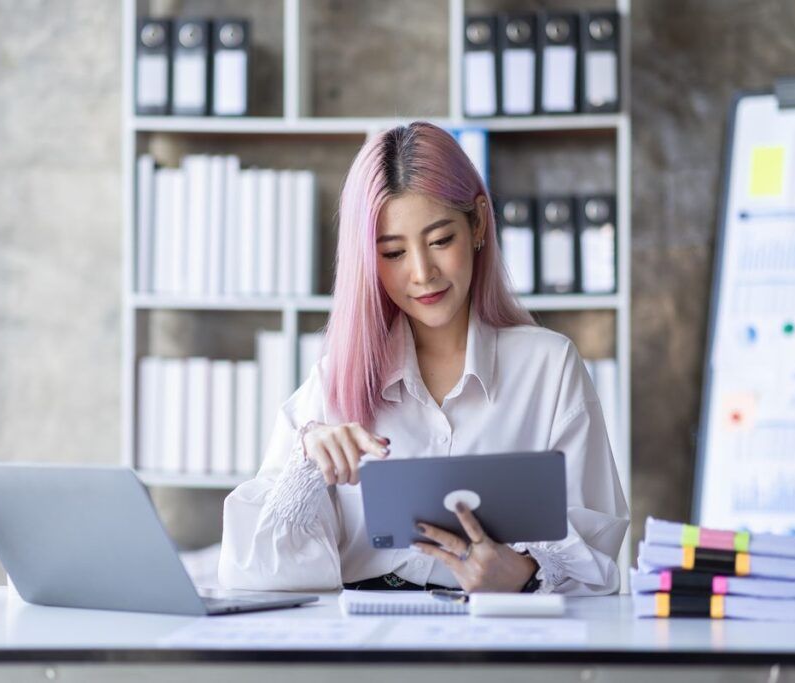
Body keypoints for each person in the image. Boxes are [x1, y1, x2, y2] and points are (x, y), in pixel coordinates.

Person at [218, 121, 628, 595]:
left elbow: (597, 556)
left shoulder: (549, 367)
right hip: (364, 641)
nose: (422, 273)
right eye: (392, 253)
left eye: (440, 241)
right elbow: (249, 571)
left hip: (493, 638)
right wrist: (308, 464)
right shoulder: (335, 379)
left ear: (477, 223)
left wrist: (523, 575)